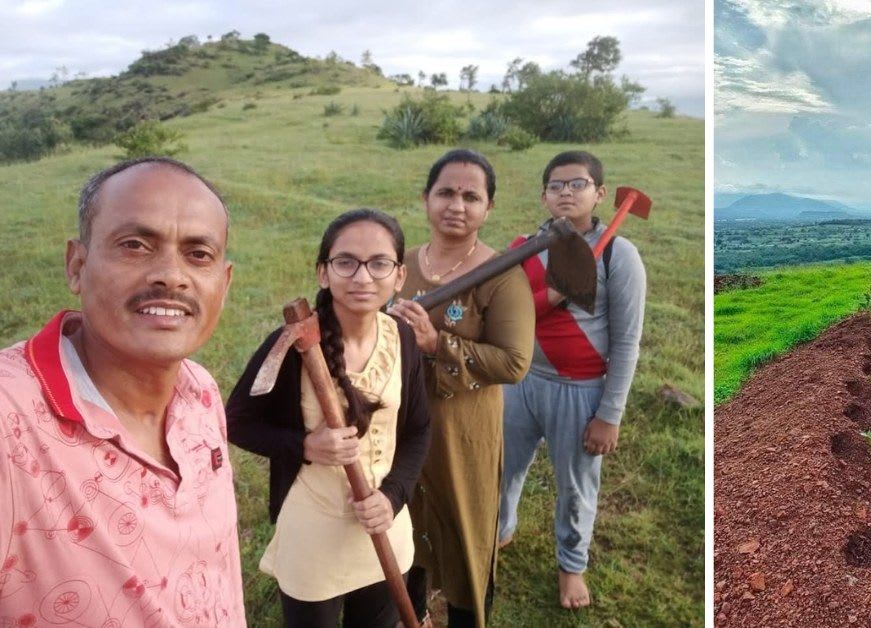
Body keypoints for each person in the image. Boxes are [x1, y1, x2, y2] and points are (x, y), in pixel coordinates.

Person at [0, 157, 244, 625]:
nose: (171, 276)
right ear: (77, 265)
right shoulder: (12, 419)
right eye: (135, 245)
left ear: (224, 284)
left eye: (198, 254)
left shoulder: (201, 391)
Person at [225, 209, 431, 626]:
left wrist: (392, 497)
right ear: (323, 273)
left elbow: (418, 428)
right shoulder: (294, 345)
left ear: (399, 275)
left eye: (379, 263)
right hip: (314, 531)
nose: (362, 277)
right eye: (345, 262)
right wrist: (303, 445)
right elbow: (236, 421)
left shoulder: (402, 337)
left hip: (384, 524)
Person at [389, 149, 534, 627]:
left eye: (472, 196)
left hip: (461, 431)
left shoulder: (503, 275)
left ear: (488, 208)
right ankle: (409, 615)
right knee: (400, 524)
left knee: (464, 529)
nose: (457, 204)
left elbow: (514, 362)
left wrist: (436, 343)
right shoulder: (400, 265)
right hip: (397, 427)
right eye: (446, 192)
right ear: (426, 198)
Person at [498, 150, 647, 608]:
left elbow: (626, 342)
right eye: (556, 185)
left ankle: (571, 565)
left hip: (580, 390)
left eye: (577, 184)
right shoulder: (524, 246)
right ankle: (496, 532)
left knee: (576, 486)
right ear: (543, 195)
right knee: (500, 468)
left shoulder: (618, 255)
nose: (566, 191)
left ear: (599, 193)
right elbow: (506, 312)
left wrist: (609, 413)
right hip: (518, 380)